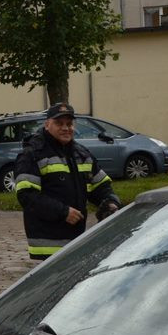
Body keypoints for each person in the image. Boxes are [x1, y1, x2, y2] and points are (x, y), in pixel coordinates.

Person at [15, 102, 121, 260]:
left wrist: (111, 203)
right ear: (47, 124)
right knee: (54, 284)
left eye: (69, 124)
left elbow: (101, 186)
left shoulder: (81, 153)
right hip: (47, 243)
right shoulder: (32, 154)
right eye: (59, 123)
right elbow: (27, 195)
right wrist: (63, 212)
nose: (65, 128)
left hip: (75, 239)